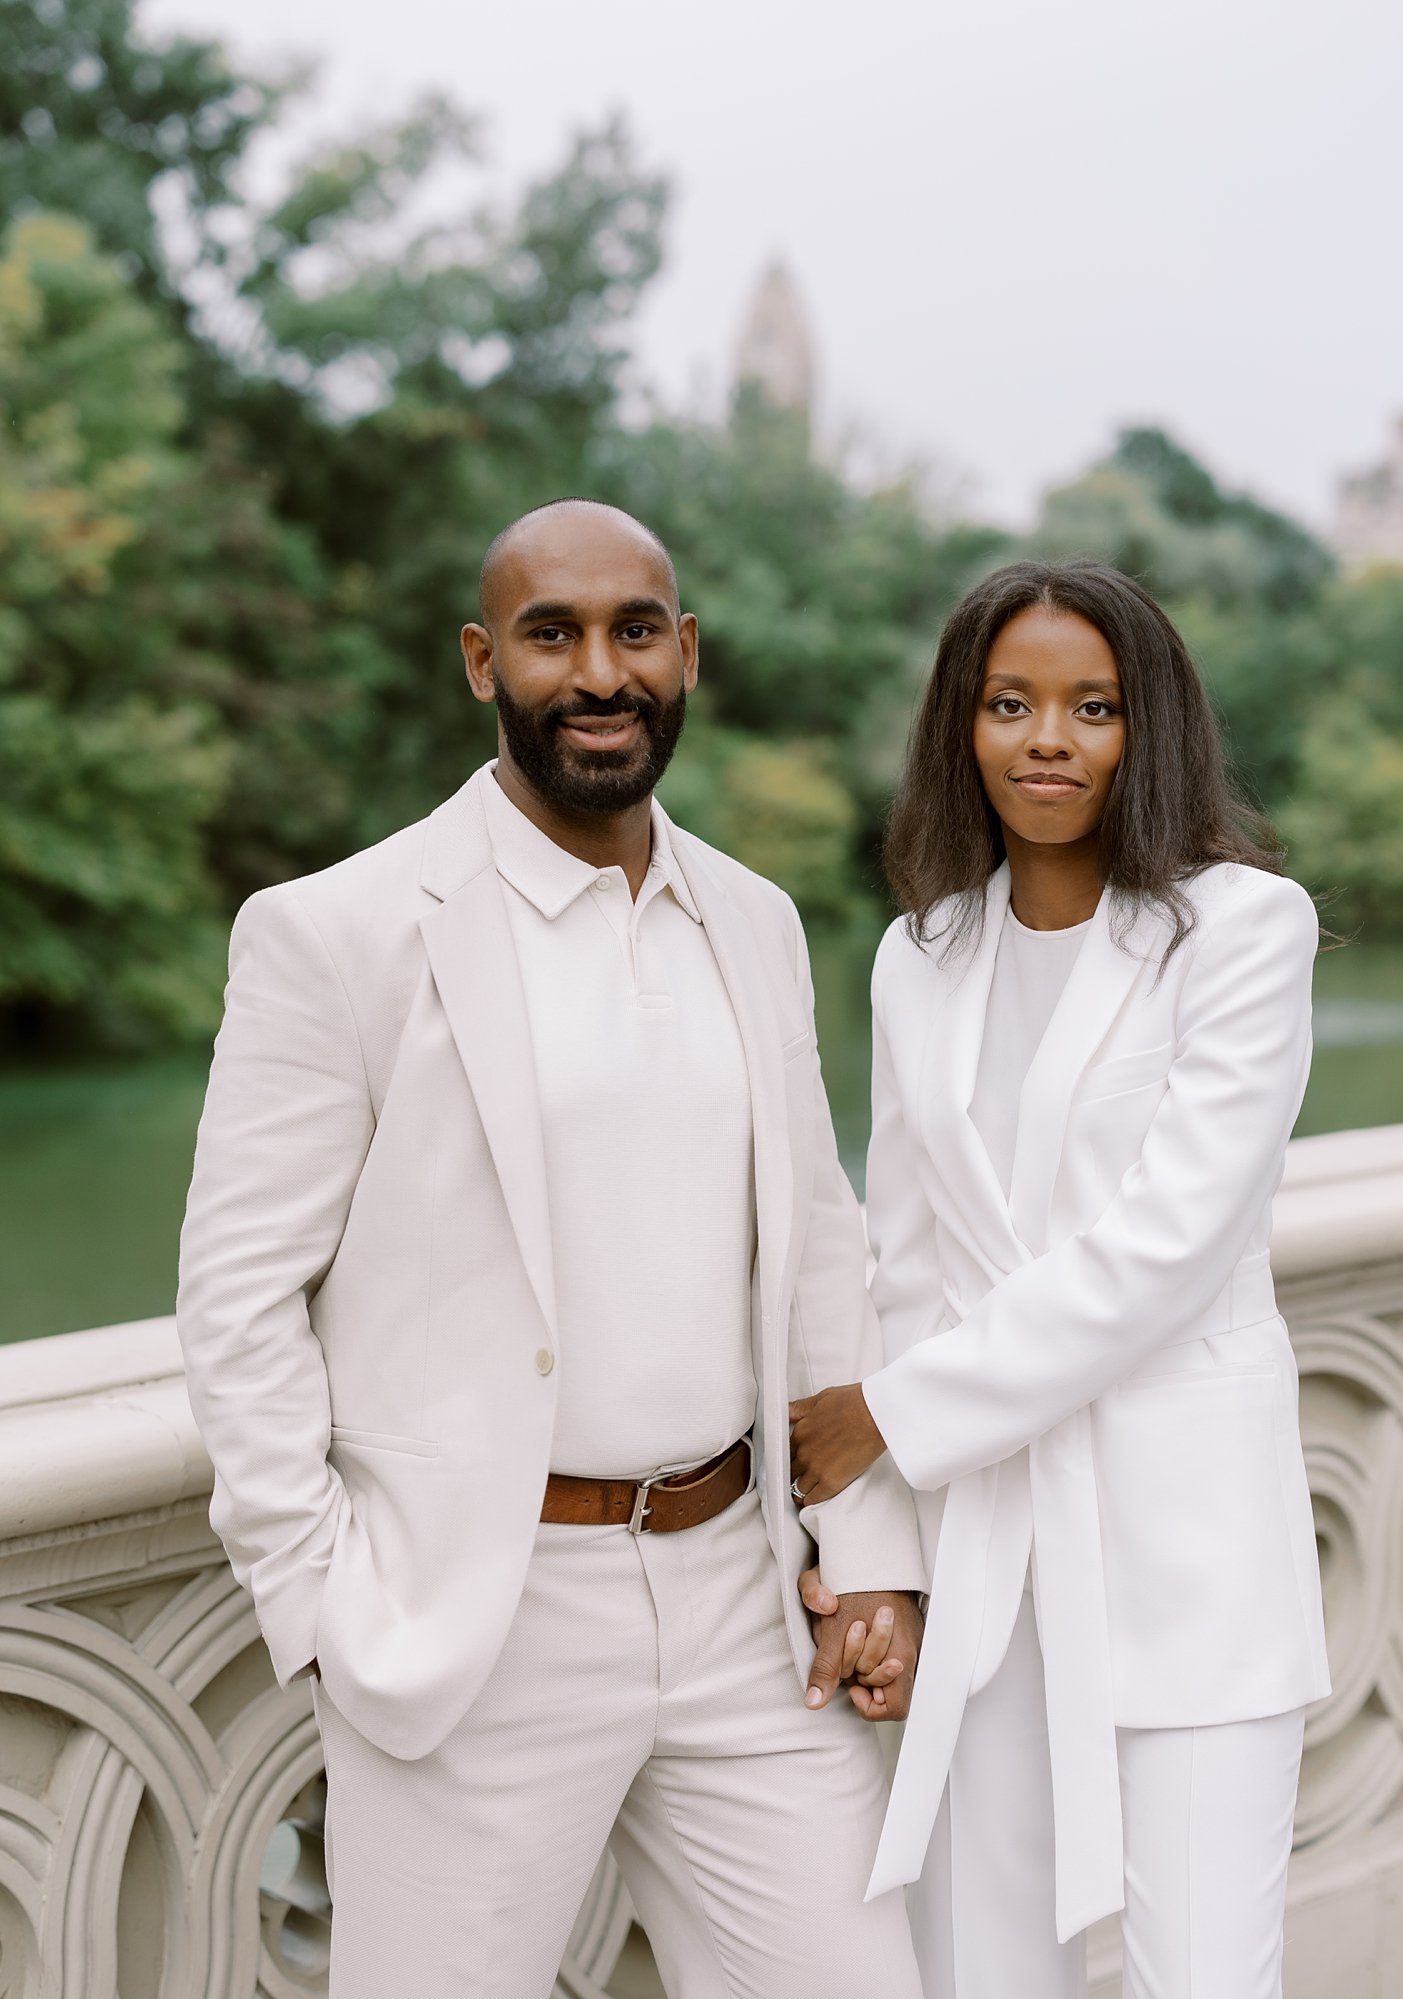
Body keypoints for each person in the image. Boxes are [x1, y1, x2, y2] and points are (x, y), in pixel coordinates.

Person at [177, 498, 927, 1999]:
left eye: (635, 631)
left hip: (743, 1597)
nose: (600, 672)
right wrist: (316, 1599)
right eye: (552, 634)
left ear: (688, 654)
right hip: (479, 1619)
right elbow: (237, 1293)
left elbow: (822, 1254)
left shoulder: (760, 920)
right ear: (481, 662)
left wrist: (875, 1549)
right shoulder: (339, 933)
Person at [790, 558, 1330, 1999]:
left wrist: (893, 1412)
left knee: (1206, 1974)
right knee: (981, 1967)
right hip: (992, 1555)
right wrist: (880, 1562)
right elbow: (902, 1261)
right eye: (1011, 703)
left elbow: (1167, 1248)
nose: (1049, 739)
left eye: (1093, 707)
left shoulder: (1240, 934)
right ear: (959, 730)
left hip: (1188, 1543)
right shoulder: (922, 956)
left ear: (1147, 727)